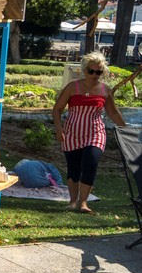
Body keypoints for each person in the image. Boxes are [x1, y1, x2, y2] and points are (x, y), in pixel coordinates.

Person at [52, 51, 126, 213]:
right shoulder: (73, 87)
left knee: (90, 163)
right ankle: (73, 201)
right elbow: (57, 109)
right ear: (84, 70)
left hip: (95, 133)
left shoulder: (105, 90)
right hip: (72, 133)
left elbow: (113, 113)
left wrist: (126, 130)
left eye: (98, 72)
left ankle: (83, 202)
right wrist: (59, 129)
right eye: (91, 71)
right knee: (73, 168)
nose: (94, 75)